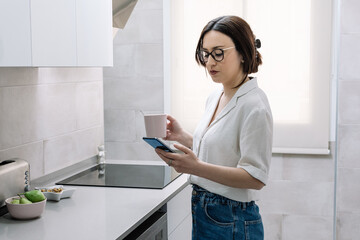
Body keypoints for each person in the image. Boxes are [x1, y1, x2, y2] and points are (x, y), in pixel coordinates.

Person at [155, 15, 273, 240]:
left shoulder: (255, 106)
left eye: (218, 53)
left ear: (242, 52)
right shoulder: (216, 95)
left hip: (232, 217)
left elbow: (255, 178)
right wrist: (183, 137)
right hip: (205, 209)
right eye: (205, 53)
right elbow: (224, 148)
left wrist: (195, 167)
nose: (209, 62)